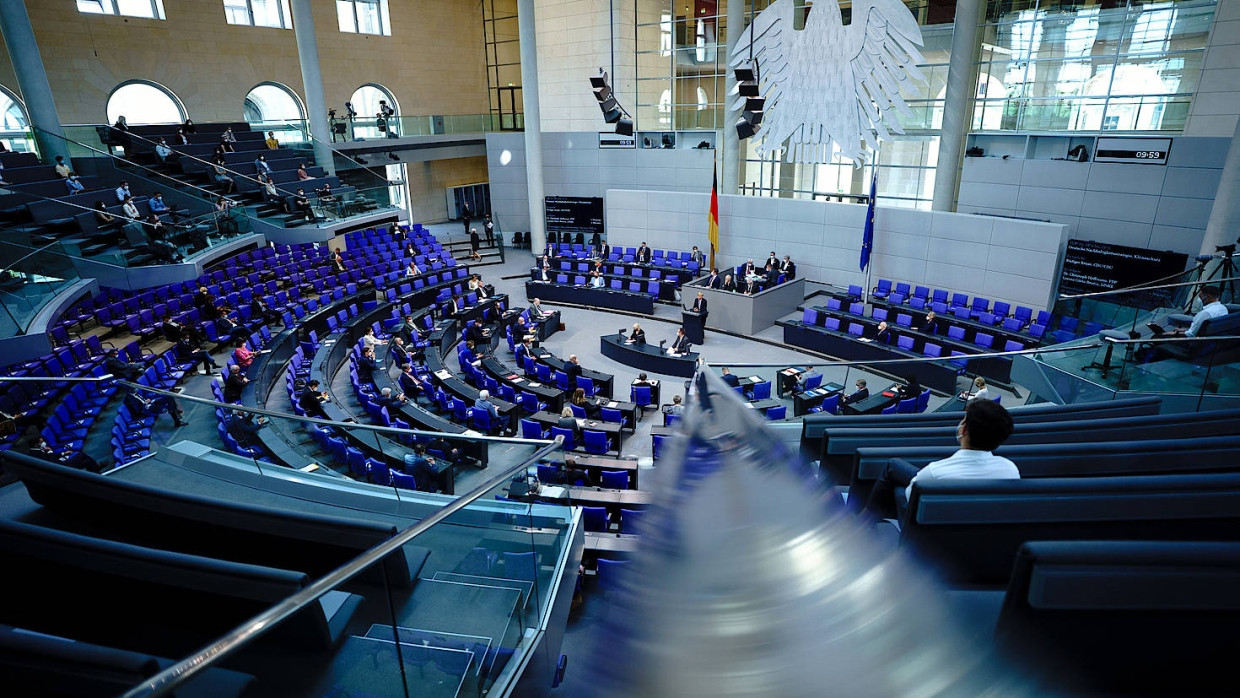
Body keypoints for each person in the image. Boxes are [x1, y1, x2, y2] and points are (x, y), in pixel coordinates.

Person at [860, 399, 1019, 521]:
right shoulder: (1011, 469)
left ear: (964, 430)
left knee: (898, 489)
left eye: (963, 420)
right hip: (972, 527)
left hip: (929, 531)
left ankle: (865, 521)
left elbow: (910, 498)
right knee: (894, 465)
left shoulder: (935, 472)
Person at [29, 433, 102, 472]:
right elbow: (51, 463)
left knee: (87, 461)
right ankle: (96, 467)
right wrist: (50, 451)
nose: (44, 443)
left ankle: (96, 473)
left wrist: (63, 453)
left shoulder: (37, 449)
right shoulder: (35, 455)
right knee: (80, 454)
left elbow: (50, 457)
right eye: (41, 442)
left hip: (60, 463)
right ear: (36, 444)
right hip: (62, 467)